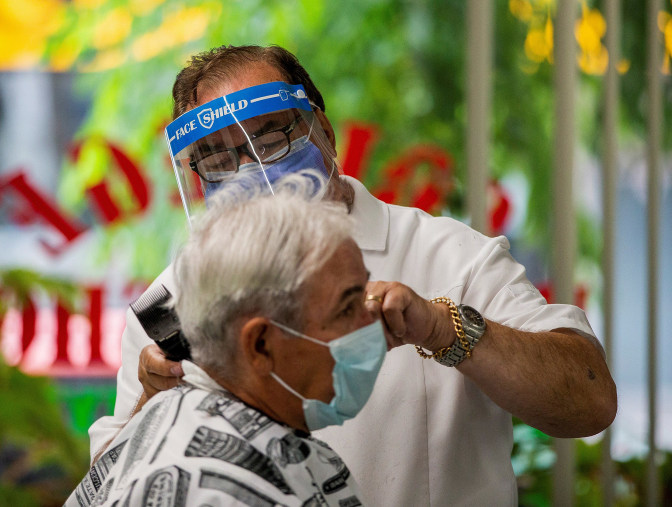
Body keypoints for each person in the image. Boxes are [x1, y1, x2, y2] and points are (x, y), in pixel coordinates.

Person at [89, 45, 617, 506]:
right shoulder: (173, 303)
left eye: (267, 139)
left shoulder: (451, 256)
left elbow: (590, 403)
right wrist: (153, 404)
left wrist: (442, 327)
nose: (248, 170)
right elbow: (106, 490)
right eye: (217, 158)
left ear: (324, 132)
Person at [68, 176, 383, 506]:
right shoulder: (208, 493)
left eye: (365, 293)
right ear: (260, 344)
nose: (372, 316)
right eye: (347, 306)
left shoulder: (269, 437)